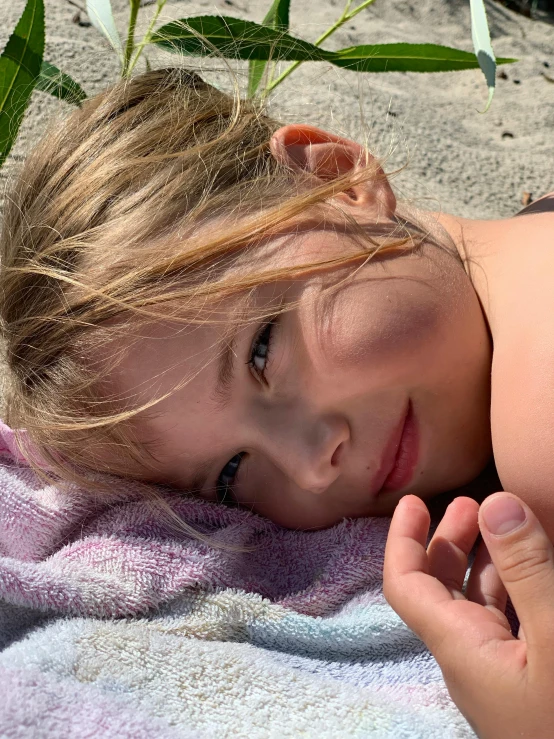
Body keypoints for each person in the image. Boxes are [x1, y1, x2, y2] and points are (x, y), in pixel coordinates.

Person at [1, 67, 553, 733]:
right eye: (232, 473)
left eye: (263, 351)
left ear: (339, 178)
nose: (310, 460)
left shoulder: (536, 429)